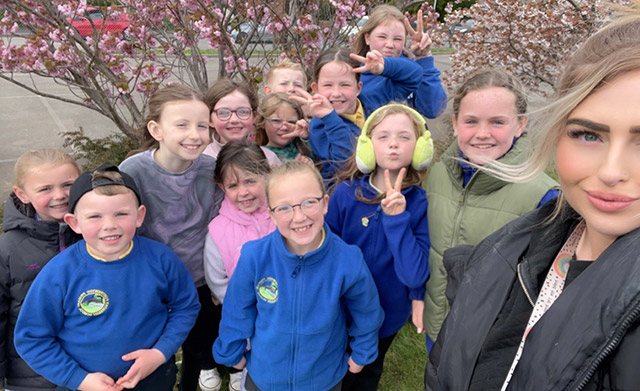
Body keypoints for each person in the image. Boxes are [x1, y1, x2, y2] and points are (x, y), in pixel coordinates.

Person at [426, 4, 640, 390]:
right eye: (588, 134)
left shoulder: (541, 194)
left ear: (523, 126)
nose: (611, 171)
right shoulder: (520, 241)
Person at [14, 165, 200, 391]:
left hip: (154, 377)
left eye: (121, 214)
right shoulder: (59, 273)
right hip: (83, 384)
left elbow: (186, 306)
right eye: (95, 217)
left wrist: (160, 353)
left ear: (139, 215)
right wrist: (78, 379)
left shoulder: (161, 258)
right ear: (75, 223)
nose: (109, 225)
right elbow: (32, 338)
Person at [213, 161, 384, 391]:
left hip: (324, 379)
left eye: (308, 203)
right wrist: (231, 351)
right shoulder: (254, 256)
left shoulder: (348, 260)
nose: (299, 217)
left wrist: (362, 352)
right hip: (264, 377)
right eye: (284, 208)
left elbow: (367, 310)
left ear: (324, 204)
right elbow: (237, 309)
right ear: (271, 215)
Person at [422, 69, 559, 351]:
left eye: (497, 122)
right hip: (437, 328)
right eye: (471, 121)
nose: (482, 134)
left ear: (520, 125)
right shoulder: (436, 176)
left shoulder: (544, 198)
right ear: (456, 124)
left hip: (492, 343)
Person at [118, 84, 224, 391]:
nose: (194, 134)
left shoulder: (210, 169)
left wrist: (220, 278)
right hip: (150, 281)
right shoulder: (134, 171)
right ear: (156, 129)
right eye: (182, 125)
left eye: (202, 126)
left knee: (197, 345)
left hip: (198, 279)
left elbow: (219, 224)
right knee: (149, 349)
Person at [326, 103, 432, 390]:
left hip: (387, 314)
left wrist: (397, 219)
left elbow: (414, 274)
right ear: (368, 146)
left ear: (421, 148)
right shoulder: (345, 194)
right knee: (330, 368)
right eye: (383, 136)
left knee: (366, 374)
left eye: (405, 137)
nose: (394, 144)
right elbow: (326, 252)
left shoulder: (421, 203)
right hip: (339, 308)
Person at [0, 148, 81, 391]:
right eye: (45, 189)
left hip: (92, 366)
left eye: (68, 184)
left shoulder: (98, 233)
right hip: (34, 376)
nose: (60, 195)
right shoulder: (8, 250)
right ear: (22, 194)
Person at [203, 140, 275, 391]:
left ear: (267, 175)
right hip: (249, 320)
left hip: (289, 314)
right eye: (233, 185)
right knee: (257, 371)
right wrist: (247, 306)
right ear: (222, 187)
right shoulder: (219, 230)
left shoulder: (283, 213)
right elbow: (217, 280)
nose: (243, 192)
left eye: (250, 181)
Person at [291, 46, 423, 181]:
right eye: (328, 85)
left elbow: (415, 75)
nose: (336, 93)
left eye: (345, 85)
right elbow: (346, 165)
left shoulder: (374, 99)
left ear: (358, 88)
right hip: (349, 190)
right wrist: (330, 119)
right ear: (316, 89)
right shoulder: (319, 125)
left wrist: (383, 67)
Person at [352, 4, 447, 119]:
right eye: (382, 37)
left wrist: (424, 57)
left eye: (397, 39)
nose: (390, 45)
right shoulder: (353, 71)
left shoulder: (412, 72)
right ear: (367, 38)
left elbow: (433, 109)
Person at [203, 78, 280, 166]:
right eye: (223, 113)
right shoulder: (200, 161)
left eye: (243, 112)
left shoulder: (269, 159)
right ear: (210, 119)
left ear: (254, 116)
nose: (234, 120)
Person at [254, 92, 314, 163]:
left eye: (291, 122)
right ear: (262, 122)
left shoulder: (307, 148)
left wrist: (307, 137)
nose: (284, 127)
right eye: (276, 121)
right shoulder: (259, 155)